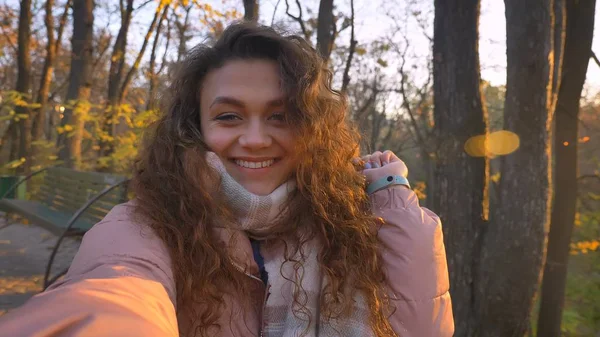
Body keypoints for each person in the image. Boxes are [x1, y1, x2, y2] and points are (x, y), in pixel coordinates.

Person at [0, 22, 453, 337]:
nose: (255, 139)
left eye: (282, 116)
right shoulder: (149, 225)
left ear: (313, 128)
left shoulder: (373, 225)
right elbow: (114, 288)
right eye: (230, 115)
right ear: (196, 126)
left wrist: (394, 201)